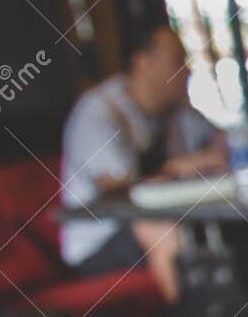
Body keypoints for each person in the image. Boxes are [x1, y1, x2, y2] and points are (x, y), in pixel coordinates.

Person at [59, 21, 224, 301]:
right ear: (143, 63)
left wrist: (214, 154)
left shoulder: (175, 110)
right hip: (98, 245)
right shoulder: (99, 111)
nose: (187, 71)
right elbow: (117, 187)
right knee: (158, 226)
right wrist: (176, 168)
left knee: (222, 225)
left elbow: (223, 143)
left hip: (166, 220)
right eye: (177, 61)